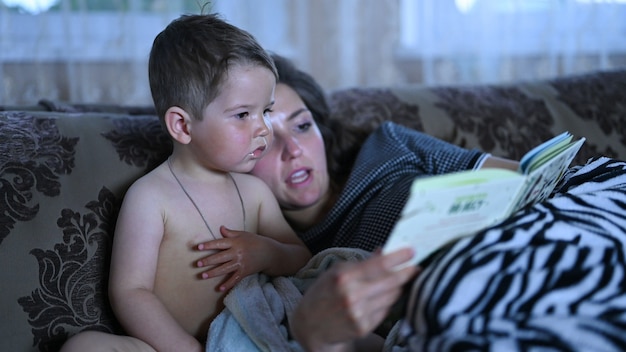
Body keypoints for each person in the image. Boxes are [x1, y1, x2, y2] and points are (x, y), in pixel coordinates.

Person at [193, 54, 521, 350]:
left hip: (523, 244)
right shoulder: (293, 264)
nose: (293, 149)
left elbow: (521, 178)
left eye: (303, 126)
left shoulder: (388, 145)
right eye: (264, 140)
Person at [61, 15, 310, 352]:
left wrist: (268, 253)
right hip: (177, 345)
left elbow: (302, 258)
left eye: (265, 110)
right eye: (242, 115)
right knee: (83, 346)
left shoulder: (255, 193)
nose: (264, 128)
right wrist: (185, 348)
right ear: (182, 125)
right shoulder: (150, 198)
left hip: (258, 337)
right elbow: (130, 291)